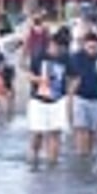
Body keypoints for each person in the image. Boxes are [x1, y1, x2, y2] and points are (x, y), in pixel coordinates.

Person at [27, 34, 69, 165]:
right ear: (52, 44)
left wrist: (69, 94)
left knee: (55, 133)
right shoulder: (39, 56)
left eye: (63, 49)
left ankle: (52, 164)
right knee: (37, 133)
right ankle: (33, 162)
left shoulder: (66, 58)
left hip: (58, 101)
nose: (60, 51)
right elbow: (29, 75)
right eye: (58, 48)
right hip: (38, 100)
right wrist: (39, 80)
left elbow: (73, 76)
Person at [68, 32, 97, 157]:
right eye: (90, 47)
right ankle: (80, 154)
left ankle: (88, 155)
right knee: (81, 128)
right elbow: (70, 78)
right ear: (84, 45)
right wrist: (69, 100)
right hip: (80, 97)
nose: (93, 50)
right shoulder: (76, 58)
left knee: (92, 130)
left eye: (95, 47)